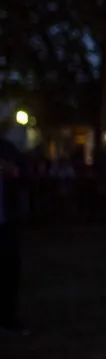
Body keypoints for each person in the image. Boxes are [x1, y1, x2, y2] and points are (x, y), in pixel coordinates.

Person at [0, 134, 27, 332]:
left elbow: (25, 173)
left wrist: (15, 173)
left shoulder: (7, 149)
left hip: (5, 220)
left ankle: (8, 317)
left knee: (9, 268)